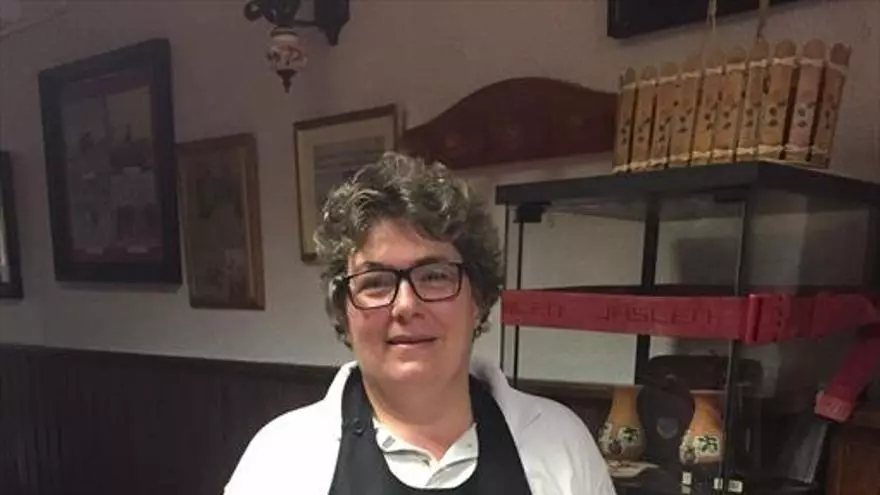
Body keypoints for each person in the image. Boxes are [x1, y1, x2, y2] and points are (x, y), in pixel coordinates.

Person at [224, 152, 616, 495]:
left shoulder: (563, 444)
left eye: (434, 276)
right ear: (343, 311)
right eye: (376, 282)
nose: (406, 305)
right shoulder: (279, 460)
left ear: (478, 300)